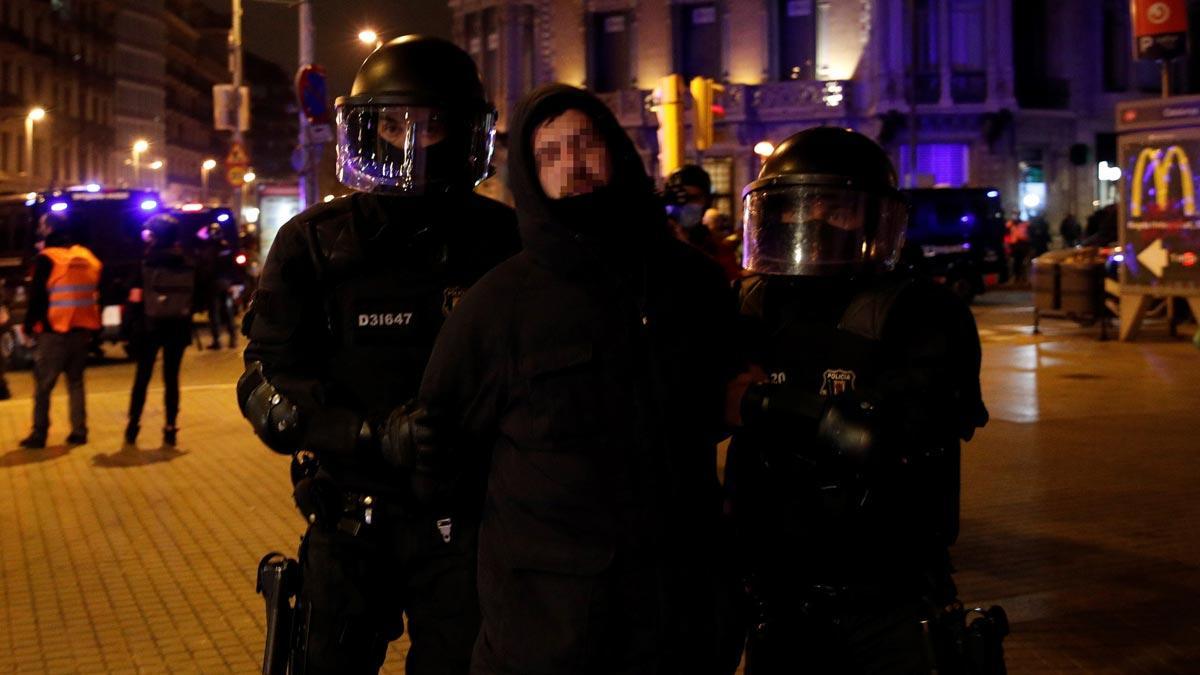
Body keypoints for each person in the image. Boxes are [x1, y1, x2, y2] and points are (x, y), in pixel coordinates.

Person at [408, 84, 740, 675]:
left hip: (681, 610)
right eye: (551, 154)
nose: (574, 165)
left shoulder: (688, 280)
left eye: (587, 145)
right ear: (529, 175)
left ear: (616, 151)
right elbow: (441, 452)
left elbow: (724, 401)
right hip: (549, 625)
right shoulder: (498, 304)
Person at [236, 35, 518, 675]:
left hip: (465, 523)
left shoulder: (504, 242)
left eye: (434, 125)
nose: (414, 145)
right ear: (367, 130)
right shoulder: (314, 242)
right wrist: (364, 436)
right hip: (349, 522)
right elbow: (266, 380)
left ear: (465, 132)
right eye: (395, 125)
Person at [727, 128, 992, 673]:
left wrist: (759, 405)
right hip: (774, 591)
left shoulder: (922, 311)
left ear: (875, 219)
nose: (816, 223)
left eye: (838, 210)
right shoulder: (752, 305)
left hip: (886, 595)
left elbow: (885, 434)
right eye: (803, 207)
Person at [19, 212, 102, 449]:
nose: (39, 229)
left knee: (44, 385)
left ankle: (39, 434)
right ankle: (79, 431)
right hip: (81, 329)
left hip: (54, 330)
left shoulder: (47, 258)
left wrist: (28, 325)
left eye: (42, 225)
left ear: (49, 229)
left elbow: (37, 297)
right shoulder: (86, 256)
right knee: (76, 382)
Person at [123, 214, 196, 448]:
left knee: (142, 377)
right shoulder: (187, 261)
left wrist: (129, 327)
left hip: (149, 326)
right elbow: (199, 295)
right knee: (171, 378)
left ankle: (133, 426)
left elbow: (135, 297)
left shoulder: (146, 262)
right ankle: (170, 427)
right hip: (179, 325)